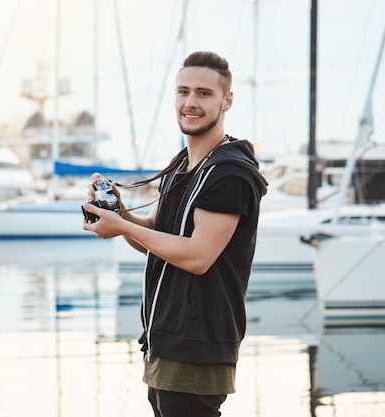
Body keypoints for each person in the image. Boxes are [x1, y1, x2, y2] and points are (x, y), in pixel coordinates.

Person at [82, 50, 268, 416]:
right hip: (164, 342)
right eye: (183, 92)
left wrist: (119, 225)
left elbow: (198, 257)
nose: (190, 102)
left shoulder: (229, 174)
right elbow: (156, 237)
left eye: (203, 93)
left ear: (226, 100)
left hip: (198, 346)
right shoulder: (181, 165)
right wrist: (120, 216)